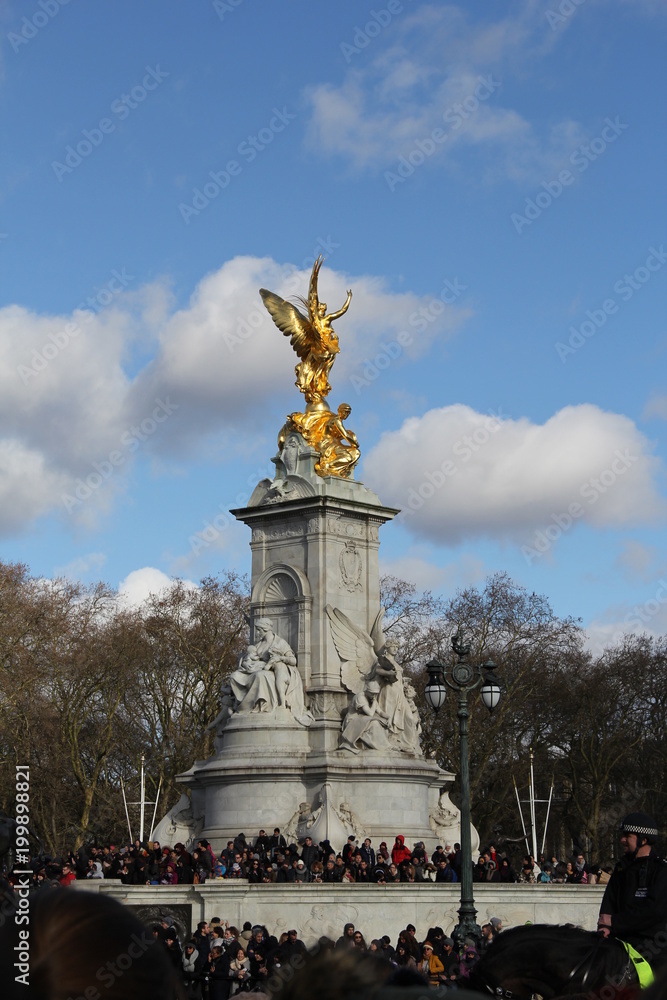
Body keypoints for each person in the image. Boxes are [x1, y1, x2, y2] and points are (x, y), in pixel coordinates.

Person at [598, 812, 667, 972]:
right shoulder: (621, 868)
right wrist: (605, 927)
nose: (622, 840)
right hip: (620, 941)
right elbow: (610, 900)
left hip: (651, 946)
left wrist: (615, 922)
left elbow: (654, 911)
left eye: (627, 836)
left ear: (643, 840)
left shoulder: (661, 871)